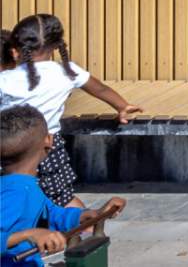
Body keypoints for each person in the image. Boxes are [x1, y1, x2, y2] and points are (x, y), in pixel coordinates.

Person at [0, 17, 139, 210]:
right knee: (61, 196)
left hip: (10, 147)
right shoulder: (67, 72)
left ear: (15, 49)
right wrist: (122, 106)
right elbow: (100, 89)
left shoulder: (5, 80)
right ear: (56, 45)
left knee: (10, 193)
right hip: (48, 146)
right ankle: (88, 226)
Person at [0, 108, 122, 264]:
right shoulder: (14, 193)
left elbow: (51, 213)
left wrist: (86, 215)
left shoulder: (25, 185)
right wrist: (29, 235)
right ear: (49, 141)